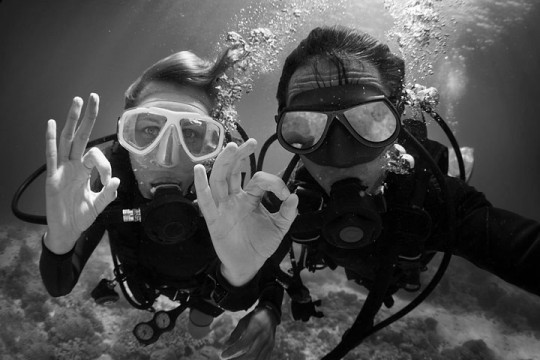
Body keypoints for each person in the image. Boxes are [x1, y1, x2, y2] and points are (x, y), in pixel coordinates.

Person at [265, 25, 540, 359]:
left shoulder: (433, 199)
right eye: (305, 127)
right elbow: (259, 264)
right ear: (283, 127)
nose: (339, 156)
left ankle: (455, 164)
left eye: (369, 120)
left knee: (446, 174)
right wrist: (268, 309)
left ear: (395, 121)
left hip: (408, 255)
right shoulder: (286, 201)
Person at [40, 48, 298, 359]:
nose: (166, 157)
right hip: (143, 285)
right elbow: (59, 284)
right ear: (125, 136)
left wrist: (242, 281)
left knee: (199, 327)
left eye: (191, 133)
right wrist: (60, 240)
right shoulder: (108, 183)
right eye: (148, 130)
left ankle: (199, 317)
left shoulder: (228, 189)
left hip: (207, 290)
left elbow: (245, 291)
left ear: (213, 148)